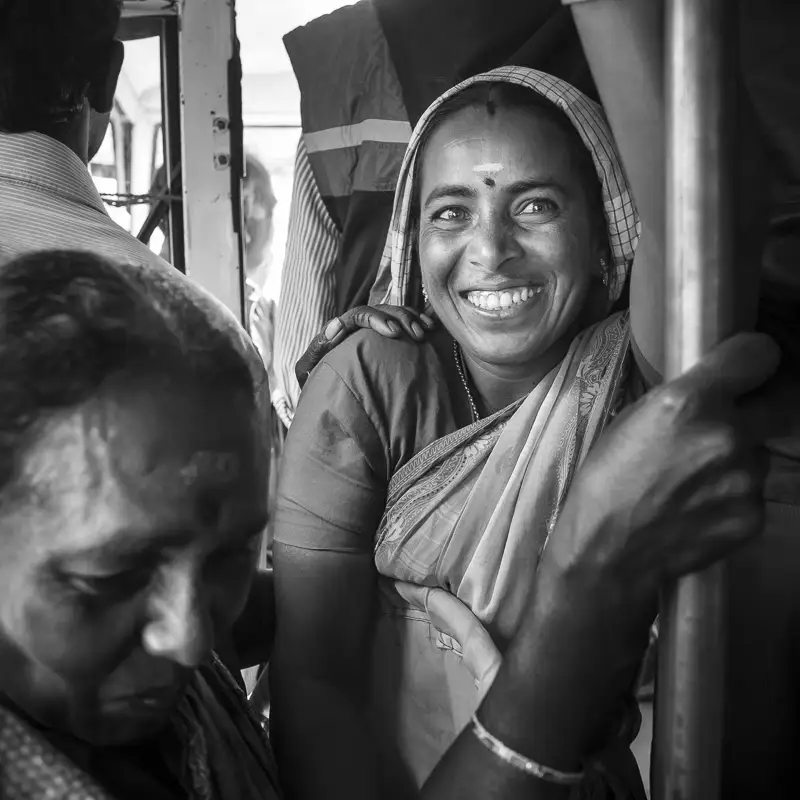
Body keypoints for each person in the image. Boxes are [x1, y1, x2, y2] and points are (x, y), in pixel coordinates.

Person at [0, 249, 780, 800]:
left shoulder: (147, 608)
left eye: (231, 558)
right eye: (106, 581)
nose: (195, 639)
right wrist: (585, 585)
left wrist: (360, 500)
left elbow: (303, 604)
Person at [269, 64, 665, 797]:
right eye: (451, 211)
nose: (490, 249)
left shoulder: (633, 380)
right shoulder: (367, 381)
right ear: (410, 242)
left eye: (536, 206)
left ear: (605, 232)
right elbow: (314, 680)